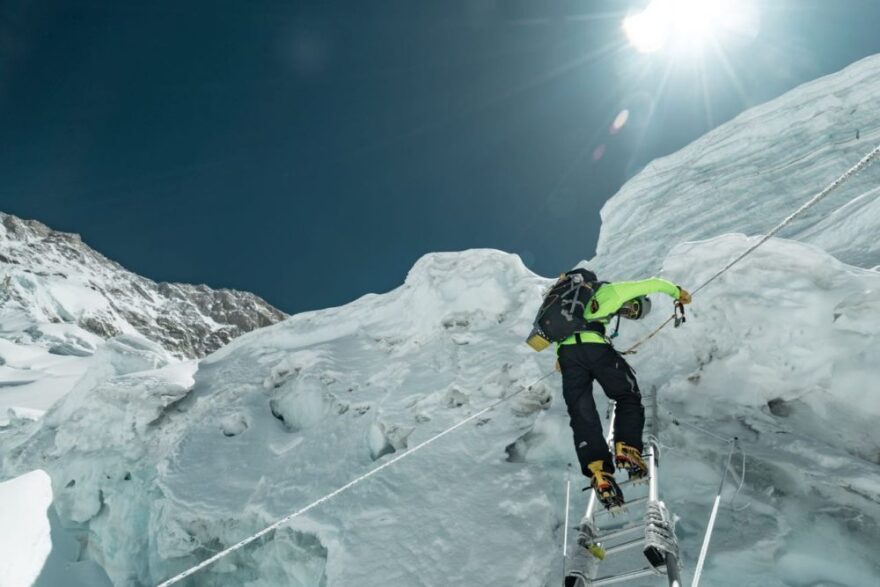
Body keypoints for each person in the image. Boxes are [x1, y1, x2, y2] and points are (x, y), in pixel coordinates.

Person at [556, 270, 691, 508]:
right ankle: (627, 446)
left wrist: (562, 356)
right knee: (627, 395)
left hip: (568, 355)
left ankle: (598, 470)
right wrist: (677, 292)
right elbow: (651, 283)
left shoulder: (562, 302)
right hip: (596, 349)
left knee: (580, 411)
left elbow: (559, 332)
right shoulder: (606, 291)